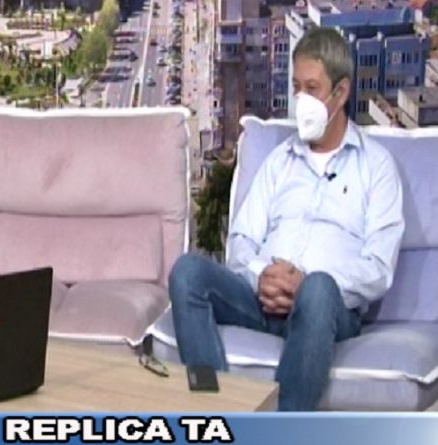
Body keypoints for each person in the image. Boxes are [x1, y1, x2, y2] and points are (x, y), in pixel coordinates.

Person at [168, 27, 405, 411]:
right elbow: (241, 240)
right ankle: (213, 408)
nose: (301, 100)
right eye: (296, 87)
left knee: (319, 288)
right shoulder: (279, 161)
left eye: (312, 89)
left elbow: (378, 269)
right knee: (187, 273)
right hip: (260, 299)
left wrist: (304, 283)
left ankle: (281, 427)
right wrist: (262, 276)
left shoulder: (376, 166)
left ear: (341, 92)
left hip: (326, 310)